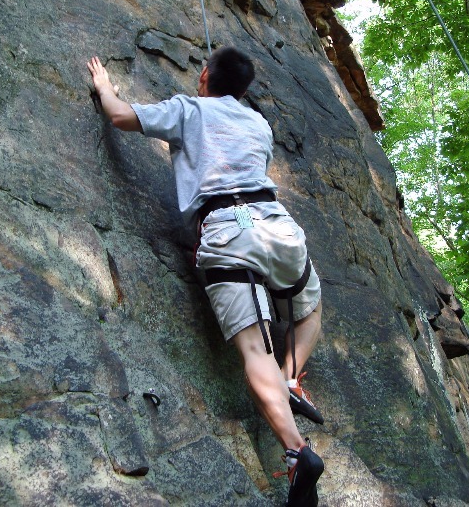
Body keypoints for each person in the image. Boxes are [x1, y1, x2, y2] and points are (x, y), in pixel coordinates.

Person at [87, 48, 324, 506]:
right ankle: (289, 378)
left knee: (254, 346)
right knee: (308, 309)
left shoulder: (186, 108)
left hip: (226, 232)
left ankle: (298, 452)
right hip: (278, 225)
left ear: (202, 76)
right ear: (243, 89)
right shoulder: (259, 123)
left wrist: (103, 85)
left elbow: (118, 116)